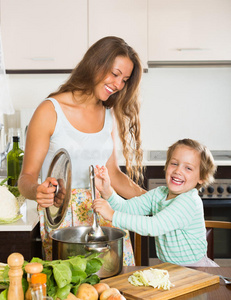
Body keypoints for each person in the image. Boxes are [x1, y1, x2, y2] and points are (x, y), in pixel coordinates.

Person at [18, 36, 146, 265]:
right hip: (64, 223)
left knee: (118, 289)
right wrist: (38, 190)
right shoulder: (50, 111)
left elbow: (114, 175)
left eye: (124, 79)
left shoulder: (108, 114)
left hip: (105, 217)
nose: (118, 85)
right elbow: (26, 179)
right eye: (115, 74)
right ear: (95, 64)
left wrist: (155, 201)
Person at [93, 138, 219, 267]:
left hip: (195, 268)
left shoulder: (189, 201)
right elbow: (127, 207)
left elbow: (154, 226)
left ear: (201, 178)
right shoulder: (158, 194)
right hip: (169, 266)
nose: (178, 171)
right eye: (174, 163)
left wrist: (112, 215)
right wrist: (107, 192)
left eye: (188, 168)